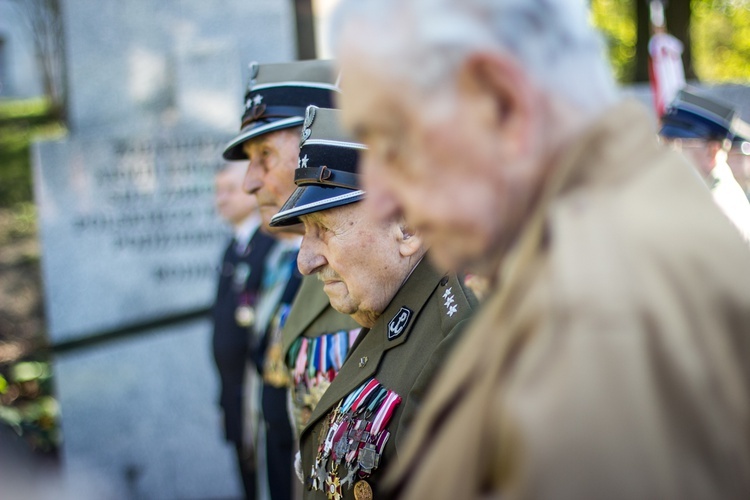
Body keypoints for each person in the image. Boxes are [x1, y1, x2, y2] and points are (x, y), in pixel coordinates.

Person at [330, 0, 750, 498]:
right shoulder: (614, 235)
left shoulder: (592, 335)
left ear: (502, 103)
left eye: (390, 145)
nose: (380, 199)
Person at [270, 105, 476, 499]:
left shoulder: (461, 337)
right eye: (304, 231)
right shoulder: (391, 304)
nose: (304, 261)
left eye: (324, 228)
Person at [222, 60, 359, 499]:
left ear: (311, 149)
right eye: (249, 160)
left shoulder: (364, 278)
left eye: (265, 156)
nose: (249, 182)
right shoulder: (282, 261)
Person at [211, 163, 276, 499]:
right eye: (217, 191)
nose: (220, 199)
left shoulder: (268, 246)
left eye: (229, 190)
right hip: (235, 396)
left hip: (258, 396)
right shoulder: (231, 248)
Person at [659, 89, 750, 243]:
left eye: (678, 144)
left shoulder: (716, 209)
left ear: (712, 151)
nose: (668, 153)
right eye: (666, 143)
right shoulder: (707, 194)